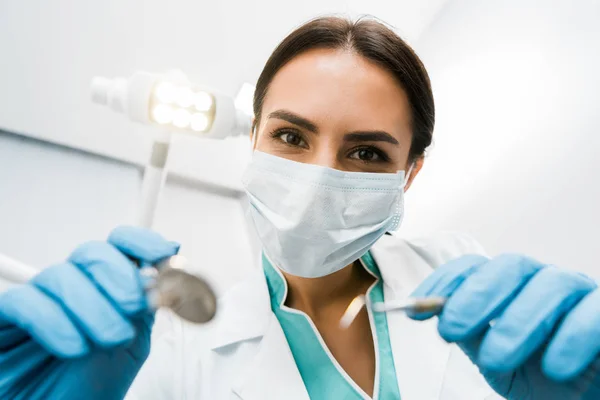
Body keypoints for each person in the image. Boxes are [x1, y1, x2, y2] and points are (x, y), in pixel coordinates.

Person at [1, 16, 599, 400]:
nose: (318, 179)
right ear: (254, 136)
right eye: (291, 137)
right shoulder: (176, 354)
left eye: (366, 152)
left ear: (408, 174)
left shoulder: (465, 277)